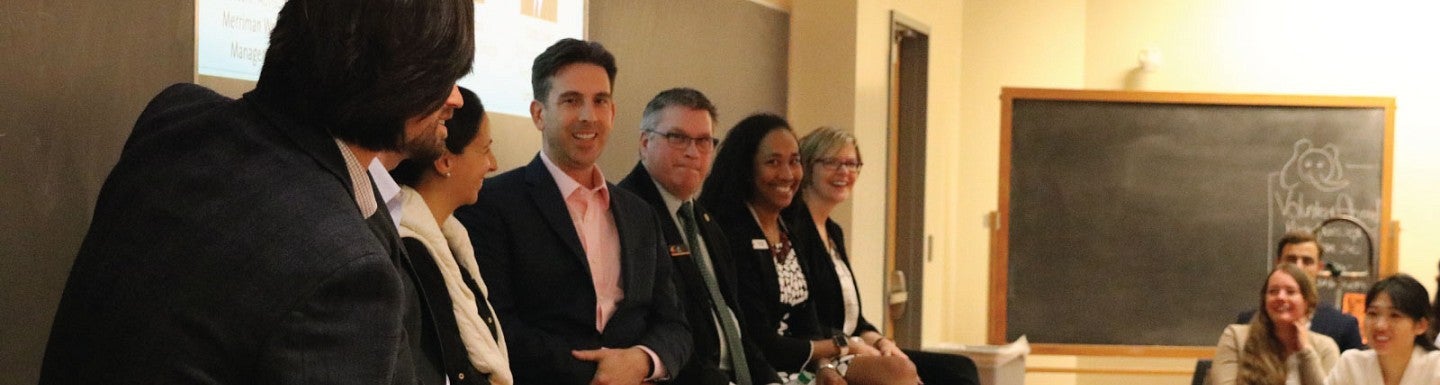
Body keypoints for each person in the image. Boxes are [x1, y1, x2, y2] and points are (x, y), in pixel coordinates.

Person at [39, 0, 475, 383]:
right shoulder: (344, 269)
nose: (456, 97)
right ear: (397, 80)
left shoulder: (176, 114)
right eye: (443, 75)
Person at [454, 38, 690, 385]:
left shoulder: (640, 213)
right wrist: (598, 373)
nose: (588, 116)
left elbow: (674, 324)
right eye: (570, 100)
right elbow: (494, 324)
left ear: (613, 112)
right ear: (538, 114)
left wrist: (642, 361)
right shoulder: (492, 204)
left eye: (600, 101)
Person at [700, 113, 918, 385]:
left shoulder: (787, 228)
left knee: (901, 370)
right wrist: (843, 345)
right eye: (773, 162)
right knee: (897, 374)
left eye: (794, 161)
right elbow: (760, 339)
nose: (787, 174)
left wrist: (825, 365)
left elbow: (809, 321)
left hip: (810, 358)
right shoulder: (734, 234)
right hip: (767, 366)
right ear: (747, 168)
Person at [786, 126, 979, 385]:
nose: (845, 172)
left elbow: (854, 319)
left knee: (960, 369)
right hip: (827, 354)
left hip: (853, 345)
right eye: (833, 162)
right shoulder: (794, 229)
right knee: (900, 371)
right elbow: (805, 320)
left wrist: (881, 341)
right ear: (809, 166)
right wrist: (855, 346)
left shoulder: (833, 232)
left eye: (852, 164)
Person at [616, 88, 783, 385]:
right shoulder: (626, 214)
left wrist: (770, 380)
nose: (693, 152)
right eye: (677, 138)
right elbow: (649, 329)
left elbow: (736, 324)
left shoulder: (706, 222)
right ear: (645, 142)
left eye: (704, 141)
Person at [390, 87, 512, 384]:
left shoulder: (451, 239)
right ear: (444, 160)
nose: (493, 164)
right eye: (485, 150)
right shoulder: (409, 250)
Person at [1210, 264, 1339, 385]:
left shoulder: (1326, 347)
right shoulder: (1236, 337)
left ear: (1307, 302)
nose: (1281, 297)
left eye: (1290, 291)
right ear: (1264, 301)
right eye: (1273, 291)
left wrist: (1305, 352)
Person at [1236, 230, 1364, 352]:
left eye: (1307, 261)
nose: (1298, 267)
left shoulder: (1343, 326)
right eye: (1291, 260)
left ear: (1319, 268)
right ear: (1278, 264)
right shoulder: (1248, 322)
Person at [1326, 274, 1440, 385]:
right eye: (1373, 313)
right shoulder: (1351, 364)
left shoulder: (1436, 368)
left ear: (1421, 326)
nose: (1380, 326)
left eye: (1394, 315)